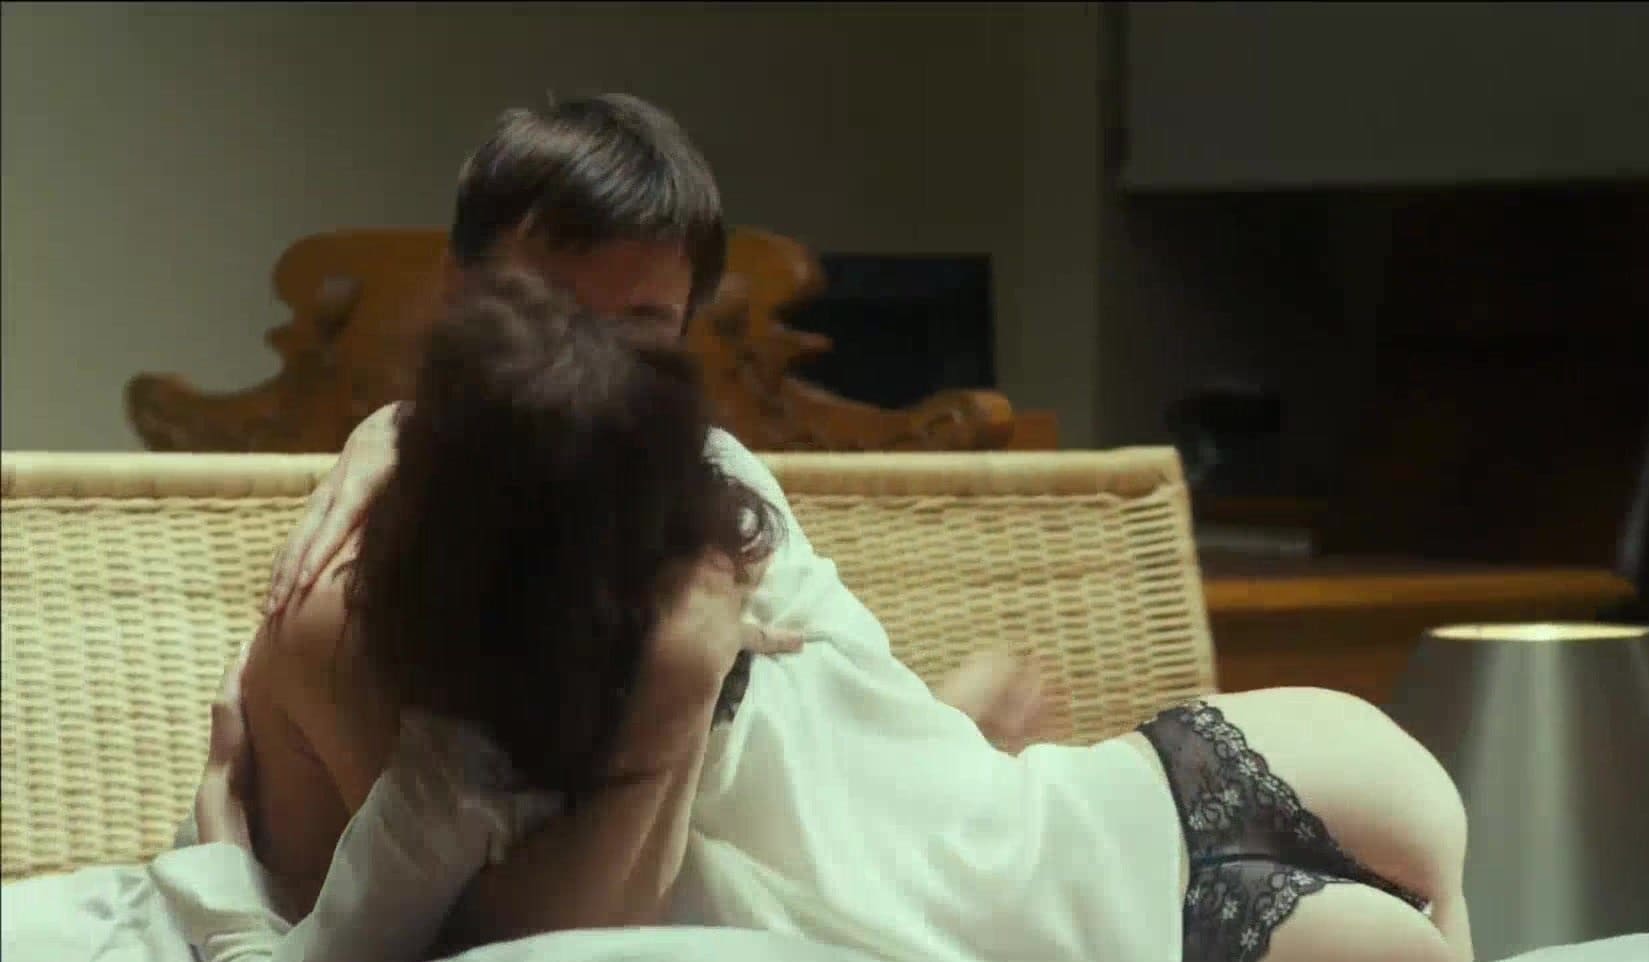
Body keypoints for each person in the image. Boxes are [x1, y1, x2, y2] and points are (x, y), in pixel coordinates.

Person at [182, 93, 1474, 962]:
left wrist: (951, 711)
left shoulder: (719, 471)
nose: (597, 371)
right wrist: (228, 864)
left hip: (1090, 808)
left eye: (642, 333)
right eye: (552, 315)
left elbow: (854, 738)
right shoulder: (404, 619)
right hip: (1058, 908)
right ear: (464, 296)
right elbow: (469, 926)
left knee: (1432, 851)